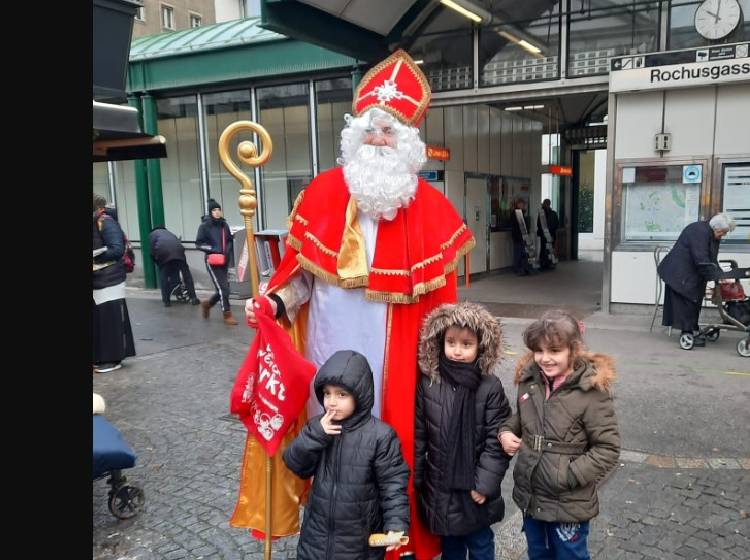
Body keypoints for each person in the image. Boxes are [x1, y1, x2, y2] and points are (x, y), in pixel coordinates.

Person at [237, 49, 475, 559]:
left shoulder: (432, 211)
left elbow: (445, 315)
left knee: (383, 455)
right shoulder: (320, 195)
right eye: (370, 129)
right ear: (354, 135)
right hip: (325, 349)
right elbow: (298, 279)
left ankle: (390, 540)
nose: (378, 139)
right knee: (324, 445)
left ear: (408, 143)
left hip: (396, 366)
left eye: (389, 132)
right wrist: (275, 305)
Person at [499, 310, 620, 560]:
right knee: (538, 553)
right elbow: (521, 417)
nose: (545, 358)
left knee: (569, 555)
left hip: (568, 501)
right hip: (531, 496)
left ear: (572, 351)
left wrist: (569, 475)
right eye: (539, 351)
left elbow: (607, 448)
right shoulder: (530, 381)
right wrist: (507, 431)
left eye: (554, 351)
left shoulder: (591, 392)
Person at [282, 350, 411, 560]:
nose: (332, 402)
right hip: (316, 537)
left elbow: (393, 486)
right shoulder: (318, 427)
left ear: (359, 395)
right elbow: (297, 465)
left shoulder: (380, 436)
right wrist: (315, 437)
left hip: (358, 540)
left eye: (342, 394)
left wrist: (396, 524)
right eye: (327, 393)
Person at [414, 302, 511, 560]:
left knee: (480, 543)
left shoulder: (489, 387)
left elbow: (496, 440)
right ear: (440, 342)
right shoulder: (430, 383)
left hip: (474, 488)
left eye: (466, 344)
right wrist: (417, 480)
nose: (457, 351)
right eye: (451, 342)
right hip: (440, 486)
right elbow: (419, 437)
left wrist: (485, 485)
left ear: (481, 346)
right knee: (451, 547)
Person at [657, 213, 736, 348]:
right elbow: (701, 258)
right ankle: (686, 333)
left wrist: (720, 275)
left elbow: (711, 258)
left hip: (689, 270)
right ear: (716, 228)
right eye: (723, 232)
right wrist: (717, 275)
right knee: (688, 297)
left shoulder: (711, 233)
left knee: (695, 297)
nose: (724, 235)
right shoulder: (699, 232)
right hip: (679, 271)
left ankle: (692, 329)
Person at [93, 194, 136, 373]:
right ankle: (101, 357)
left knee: (110, 319)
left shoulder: (106, 222)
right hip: (99, 278)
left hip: (110, 278)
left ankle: (112, 358)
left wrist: (97, 254)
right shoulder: (98, 222)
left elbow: (117, 250)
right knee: (100, 320)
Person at [196, 199, 237, 325]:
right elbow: (199, 244)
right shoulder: (204, 226)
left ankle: (208, 304)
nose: (217, 212)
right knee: (224, 289)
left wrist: (227, 252)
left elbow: (229, 240)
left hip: (224, 260)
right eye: (214, 210)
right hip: (212, 261)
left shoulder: (224, 225)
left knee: (224, 288)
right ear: (210, 212)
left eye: (219, 209)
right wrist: (213, 250)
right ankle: (227, 314)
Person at [148, 225, 200, 307]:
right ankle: (194, 298)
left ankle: (166, 301)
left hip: (163, 253)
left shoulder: (152, 234)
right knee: (186, 274)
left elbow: (151, 252)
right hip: (179, 251)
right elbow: (177, 243)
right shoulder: (170, 233)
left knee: (164, 277)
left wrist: (158, 263)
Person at [536, 199, 559, 270]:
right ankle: (548, 263)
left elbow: (539, 225)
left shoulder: (542, 213)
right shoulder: (553, 213)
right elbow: (556, 224)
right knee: (548, 249)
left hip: (546, 234)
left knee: (545, 249)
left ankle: (545, 263)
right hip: (549, 234)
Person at [511, 199, 531, 276]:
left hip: (523, 236)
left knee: (523, 253)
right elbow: (515, 225)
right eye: (522, 204)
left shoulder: (523, 213)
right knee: (518, 253)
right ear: (518, 204)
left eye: (523, 204)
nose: (523, 206)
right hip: (518, 236)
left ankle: (523, 267)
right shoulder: (515, 213)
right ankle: (518, 268)